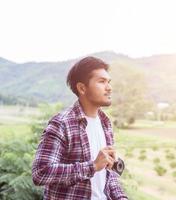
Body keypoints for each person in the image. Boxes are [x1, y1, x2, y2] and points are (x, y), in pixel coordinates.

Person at [32, 56, 128, 200]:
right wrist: (92, 166)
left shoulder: (105, 123)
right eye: (102, 82)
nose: (109, 88)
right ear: (82, 88)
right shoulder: (61, 124)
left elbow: (109, 175)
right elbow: (41, 172)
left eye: (108, 82)